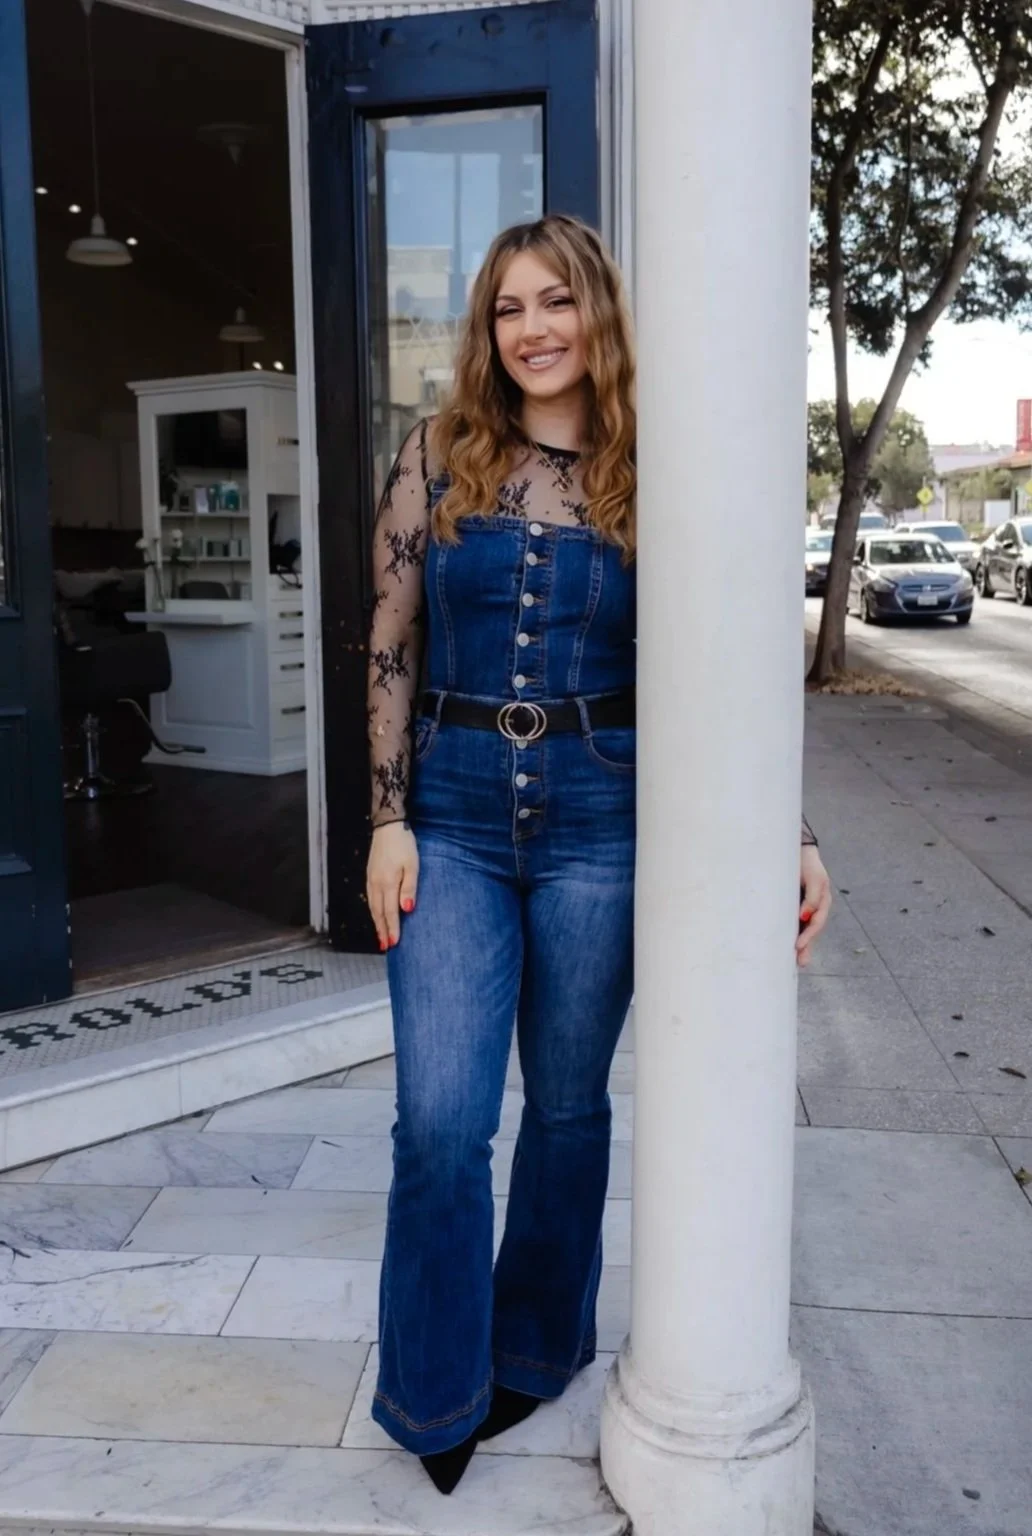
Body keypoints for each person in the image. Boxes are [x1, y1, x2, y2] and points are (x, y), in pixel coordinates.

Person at [365, 214, 831, 1495]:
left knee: (567, 1110)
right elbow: (390, 641)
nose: (533, 329)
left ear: (597, 315)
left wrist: (784, 830)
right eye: (509, 308)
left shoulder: (652, 469)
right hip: (451, 816)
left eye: (555, 301)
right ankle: (432, 1388)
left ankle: (535, 1345)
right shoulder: (434, 455)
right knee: (441, 1125)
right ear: (487, 330)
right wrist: (386, 817)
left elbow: (726, 666)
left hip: (600, 822)